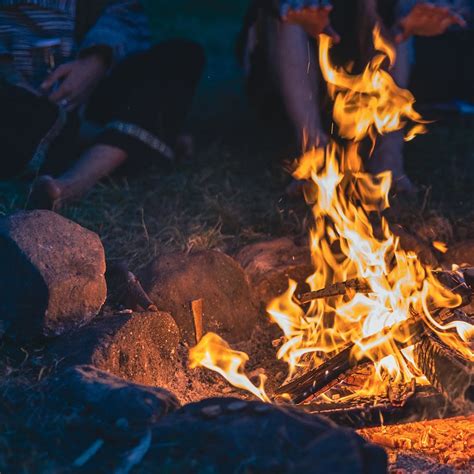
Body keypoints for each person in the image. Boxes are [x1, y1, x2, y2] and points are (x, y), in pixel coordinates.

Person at [238, 0, 469, 194]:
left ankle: (388, 157)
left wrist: (409, 11)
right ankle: (313, 153)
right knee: (288, 13)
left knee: (390, 16)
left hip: (361, 95)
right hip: (285, 90)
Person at [0, 1, 205, 209]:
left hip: (91, 94)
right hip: (19, 102)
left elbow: (126, 11)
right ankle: (130, 138)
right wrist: (9, 74)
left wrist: (97, 59)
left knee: (181, 56)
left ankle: (70, 185)